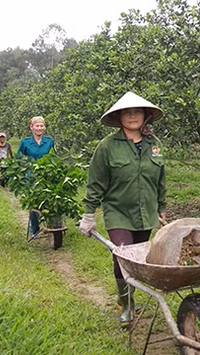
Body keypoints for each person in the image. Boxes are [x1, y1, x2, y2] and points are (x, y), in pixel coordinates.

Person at [78, 92, 167, 323]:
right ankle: (126, 304)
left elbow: (160, 180)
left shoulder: (155, 145)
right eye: (127, 112)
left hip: (145, 213)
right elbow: (96, 182)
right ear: (119, 117)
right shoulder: (107, 147)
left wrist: (161, 207)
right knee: (122, 256)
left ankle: (132, 299)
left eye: (137, 111)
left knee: (138, 260)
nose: (132, 115)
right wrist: (89, 215)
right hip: (118, 212)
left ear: (146, 115)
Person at [16, 116, 55, 237]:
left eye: (41, 126)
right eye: (37, 126)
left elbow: (54, 156)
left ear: (45, 127)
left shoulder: (49, 141)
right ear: (31, 127)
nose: (39, 128)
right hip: (31, 176)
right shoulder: (25, 142)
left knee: (48, 200)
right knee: (33, 202)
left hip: (45, 175)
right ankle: (35, 228)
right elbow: (18, 159)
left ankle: (51, 224)